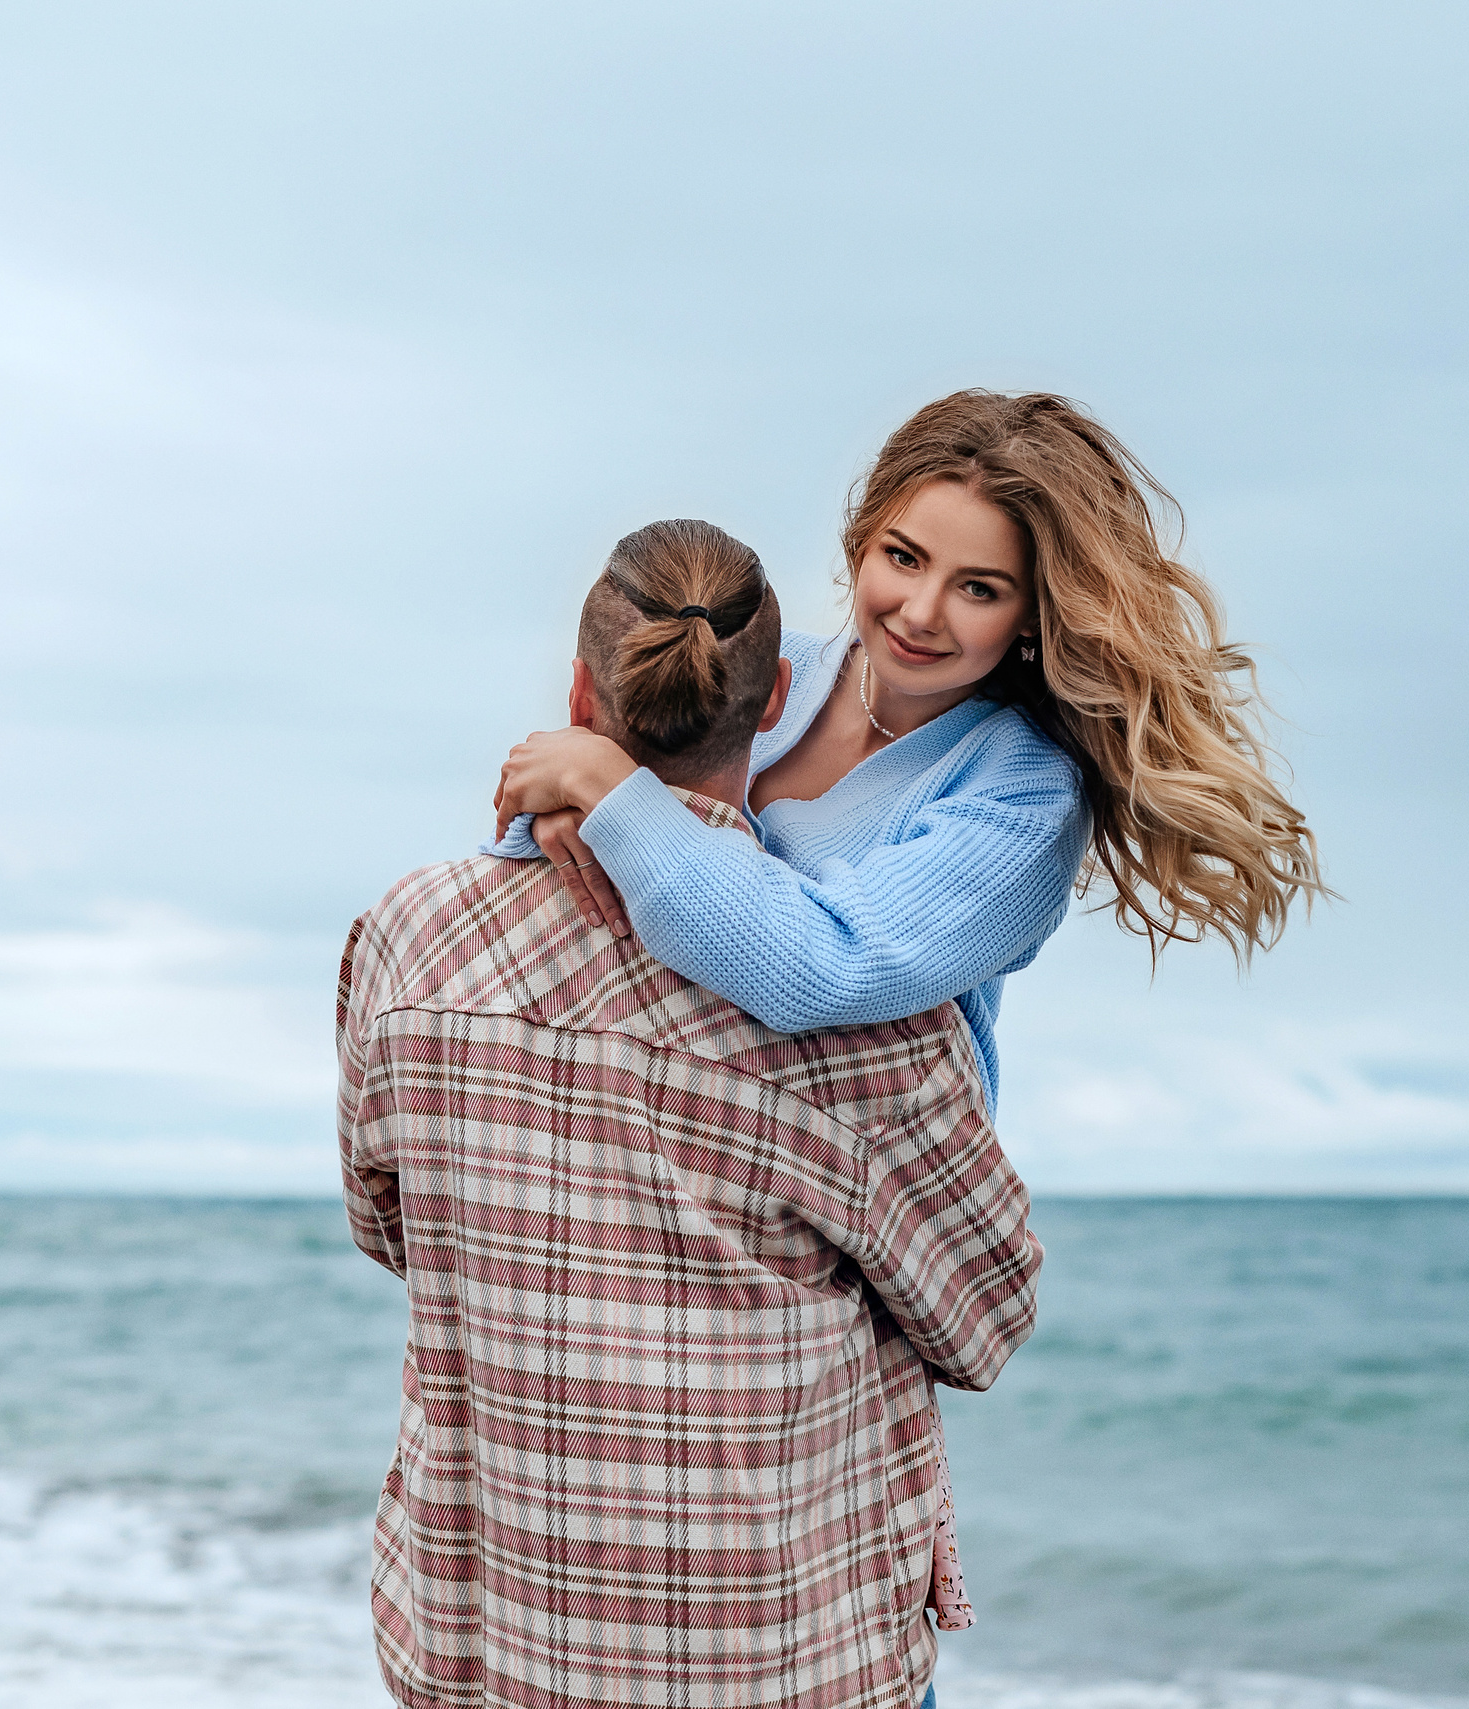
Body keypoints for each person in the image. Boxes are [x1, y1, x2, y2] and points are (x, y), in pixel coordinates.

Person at [339, 519, 1040, 1709]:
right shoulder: (863, 1025)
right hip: (781, 1656)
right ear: (774, 704)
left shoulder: (413, 937)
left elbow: (389, 1222)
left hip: (484, 1641)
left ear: (577, 695)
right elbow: (985, 1315)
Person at [492, 390, 1324, 1112]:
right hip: (639, 1154)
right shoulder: (762, 674)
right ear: (861, 540)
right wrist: (566, 794)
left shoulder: (1025, 795)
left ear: (1034, 612)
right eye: (904, 557)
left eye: (979, 588)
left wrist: (616, 794)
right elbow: (553, 875)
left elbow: (828, 970)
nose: (922, 611)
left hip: (844, 1214)